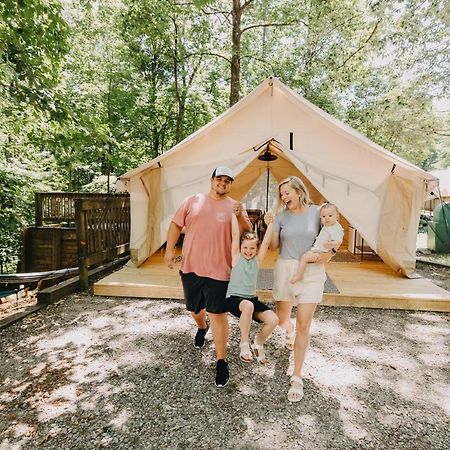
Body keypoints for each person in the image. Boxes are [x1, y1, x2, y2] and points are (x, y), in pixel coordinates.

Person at [164, 166, 252, 388]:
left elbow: (247, 233)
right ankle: (202, 327)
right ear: (212, 180)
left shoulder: (235, 206)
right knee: (195, 310)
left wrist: (241, 215)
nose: (223, 183)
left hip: (221, 271)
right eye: (219, 179)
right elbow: (175, 224)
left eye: (227, 180)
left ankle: (221, 361)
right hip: (191, 266)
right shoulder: (193, 200)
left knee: (218, 315)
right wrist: (169, 250)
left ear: (231, 184)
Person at [270, 176, 335, 402]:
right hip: (286, 269)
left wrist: (329, 254)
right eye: (282, 194)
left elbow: (334, 234)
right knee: (282, 319)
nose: (284, 196)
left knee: (304, 324)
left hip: (312, 270)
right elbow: (273, 246)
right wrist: (271, 223)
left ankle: (297, 374)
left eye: (287, 192)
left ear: (299, 191)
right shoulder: (280, 216)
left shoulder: (318, 212)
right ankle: (288, 331)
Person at [226, 212, 279, 364]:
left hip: (250, 300)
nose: (248, 251)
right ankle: (244, 344)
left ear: (256, 250)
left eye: (252, 248)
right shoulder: (236, 257)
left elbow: (267, 242)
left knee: (273, 319)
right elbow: (235, 235)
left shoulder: (256, 261)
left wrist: (270, 225)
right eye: (245, 248)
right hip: (234, 299)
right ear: (240, 247)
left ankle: (259, 342)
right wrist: (234, 216)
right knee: (248, 306)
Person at [290, 202, 343, 284]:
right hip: (316, 250)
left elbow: (339, 241)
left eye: (330, 216)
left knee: (304, 258)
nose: (327, 218)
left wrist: (331, 246)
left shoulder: (335, 228)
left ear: (337, 216)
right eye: (324, 217)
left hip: (320, 252)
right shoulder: (328, 226)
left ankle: (299, 275)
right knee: (303, 257)